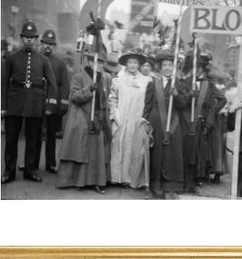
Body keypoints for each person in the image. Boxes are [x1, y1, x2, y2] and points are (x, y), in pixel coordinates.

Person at [1, 20, 57, 184]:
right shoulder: (11, 59)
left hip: (35, 104)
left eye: (32, 37)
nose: (29, 40)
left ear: (35, 39)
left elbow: (53, 84)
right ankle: (9, 172)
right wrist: (3, 107)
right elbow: (3, 83)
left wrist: (49, 106)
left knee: (33, 140)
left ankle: (30, 171)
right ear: (22, 37)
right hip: (15, 103)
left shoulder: (43, 60)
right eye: (26, 37)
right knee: (11, 140)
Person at [56, 51, 111, 193]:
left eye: (102, 63)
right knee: (80, 150)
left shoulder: (104, 79)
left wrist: (104, 116)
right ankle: (78, 181)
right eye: (97, 62)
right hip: (82, 119)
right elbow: (74, 97)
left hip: (98, 120)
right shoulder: (79, 77)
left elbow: (104, 99)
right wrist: (89, 89)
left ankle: (96, 181)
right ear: (91, 62)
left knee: (96, 152)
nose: (100, 66)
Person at [142, 49, 187, 199]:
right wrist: (145, 123)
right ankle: (154, 187)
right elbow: (147, 106)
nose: (168, 68)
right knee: (156, 155)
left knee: (171, 155)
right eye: (165, 65)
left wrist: (177, 96)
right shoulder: (153, 83)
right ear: (160, 68)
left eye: (170, 65)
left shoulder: (179, 85)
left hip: (173, 125)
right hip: (156, 123)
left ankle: (170, 189)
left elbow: (182, 106)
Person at [108, 48, 150, 187]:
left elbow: (148, 100)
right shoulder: (118, 80)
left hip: (137, 118)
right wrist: (115, 114)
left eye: (135, 63)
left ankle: (131, 179)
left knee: (135, 149)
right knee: (119, 146)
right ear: (126, 64)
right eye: (130, 62)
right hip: (122, 118)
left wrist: (144, 118)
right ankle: (117, 178)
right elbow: (112, 99)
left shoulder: (146, 81)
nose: (132, 65)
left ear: (139, 65)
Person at [30, 29, 70, 173]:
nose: (48, 46)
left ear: (54, 46)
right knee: (34, 134)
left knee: (51, 134)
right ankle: (32, 164)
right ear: (41, 43)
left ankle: (50, 163)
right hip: (37, 101)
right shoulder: (34, 59)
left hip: (53, 103)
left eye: (51, 44)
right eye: (46, 43)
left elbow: (65, 85)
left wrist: (62, 105)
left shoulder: (60, 63)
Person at [181, 51, 217, 193]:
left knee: (196, 154)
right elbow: (180, 103)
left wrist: (208, 124)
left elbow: (212, 106)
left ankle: (193, 182)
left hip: (200, 124)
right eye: (195, 68)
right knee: (185, 152)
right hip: (185, 123)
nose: (198, 71)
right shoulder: (183, 84)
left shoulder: (207, 85)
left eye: (200, 68)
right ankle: (182, 181)